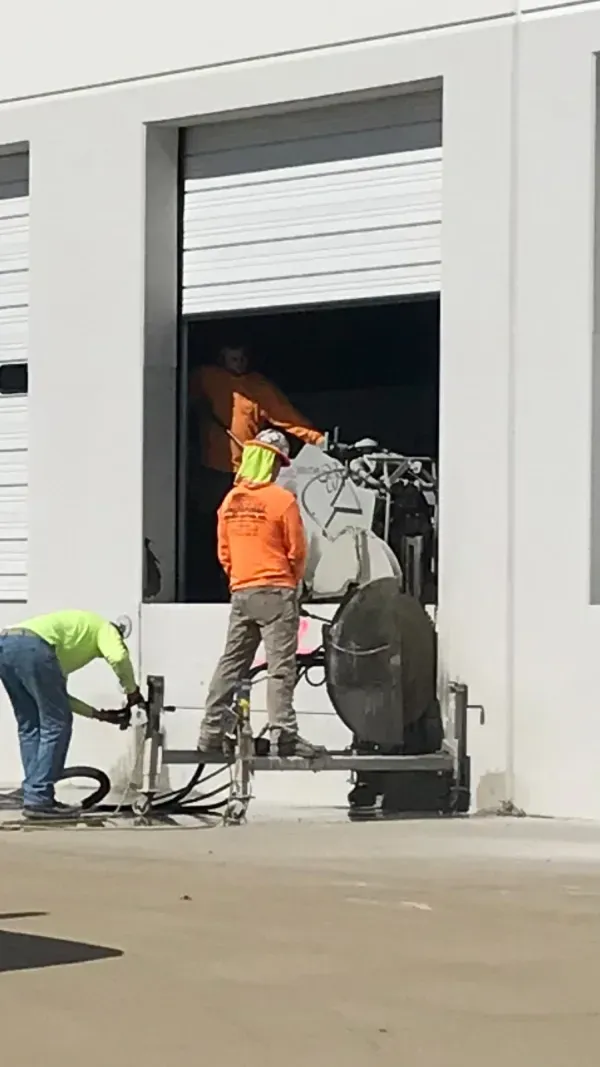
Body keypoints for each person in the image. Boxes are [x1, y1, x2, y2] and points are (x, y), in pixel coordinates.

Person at [198, 429, 323, 758]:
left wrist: (240, 579)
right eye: (278, 464)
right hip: (276, 590)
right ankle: (284, 735)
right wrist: (292, 584)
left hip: (242, 590)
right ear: (271, 463)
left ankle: (210, 732)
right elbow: (296, 551)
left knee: (231, 663)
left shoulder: (230, 501)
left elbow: (224, 552)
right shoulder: (282, 500)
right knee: (281, 667)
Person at [187, 343, 326, 601]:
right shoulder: (204, 377)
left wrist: (316, 439)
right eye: (233, 357)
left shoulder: (258, 387)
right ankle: (208, 587)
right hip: (212, 471)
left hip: (248, 473)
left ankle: (242, 581)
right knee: (208, 532)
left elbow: (285, 416)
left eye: (242, 357)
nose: (238, 362)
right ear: (221, 358)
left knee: (249, 530)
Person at [0, 610, 144, 821]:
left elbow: (61, 699)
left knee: (31, 725)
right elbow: (118, 656)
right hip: (32, 647)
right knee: (56, 724)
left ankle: (31, 791)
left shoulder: (66, 648)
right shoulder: (106, 629)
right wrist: (132, 691)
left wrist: (100, 715)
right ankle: (39, 797)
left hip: (6, 645)